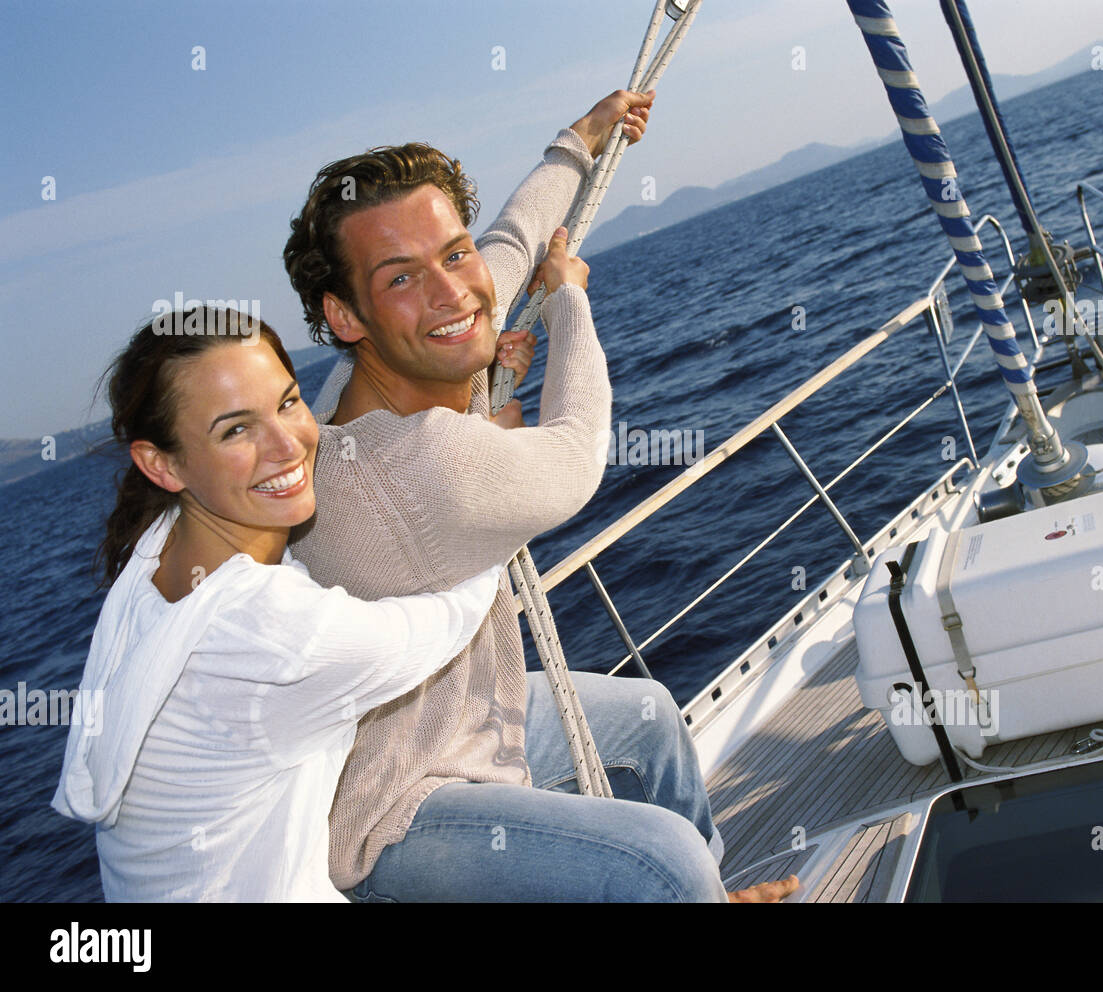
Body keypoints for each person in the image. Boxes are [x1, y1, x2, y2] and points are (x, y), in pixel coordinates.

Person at [284, 91, 797, 902]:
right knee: (664, 861)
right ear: (344, 314)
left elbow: (509, 243)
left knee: (653, 721)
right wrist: (569, 299)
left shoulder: (351, 385)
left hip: (455, 720)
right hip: (393, 813)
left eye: (451, 255)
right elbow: (574, 455)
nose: (453, 291)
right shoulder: (415, 463)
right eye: (401, 277)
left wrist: (581, 141)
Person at [51, 309, 503, 902]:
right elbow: (439, 626)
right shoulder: (266, 630)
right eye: (236, 430)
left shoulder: (155, 549)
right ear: (160, 464)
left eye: (288, 402)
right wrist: (497, 486)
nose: (289, 445)